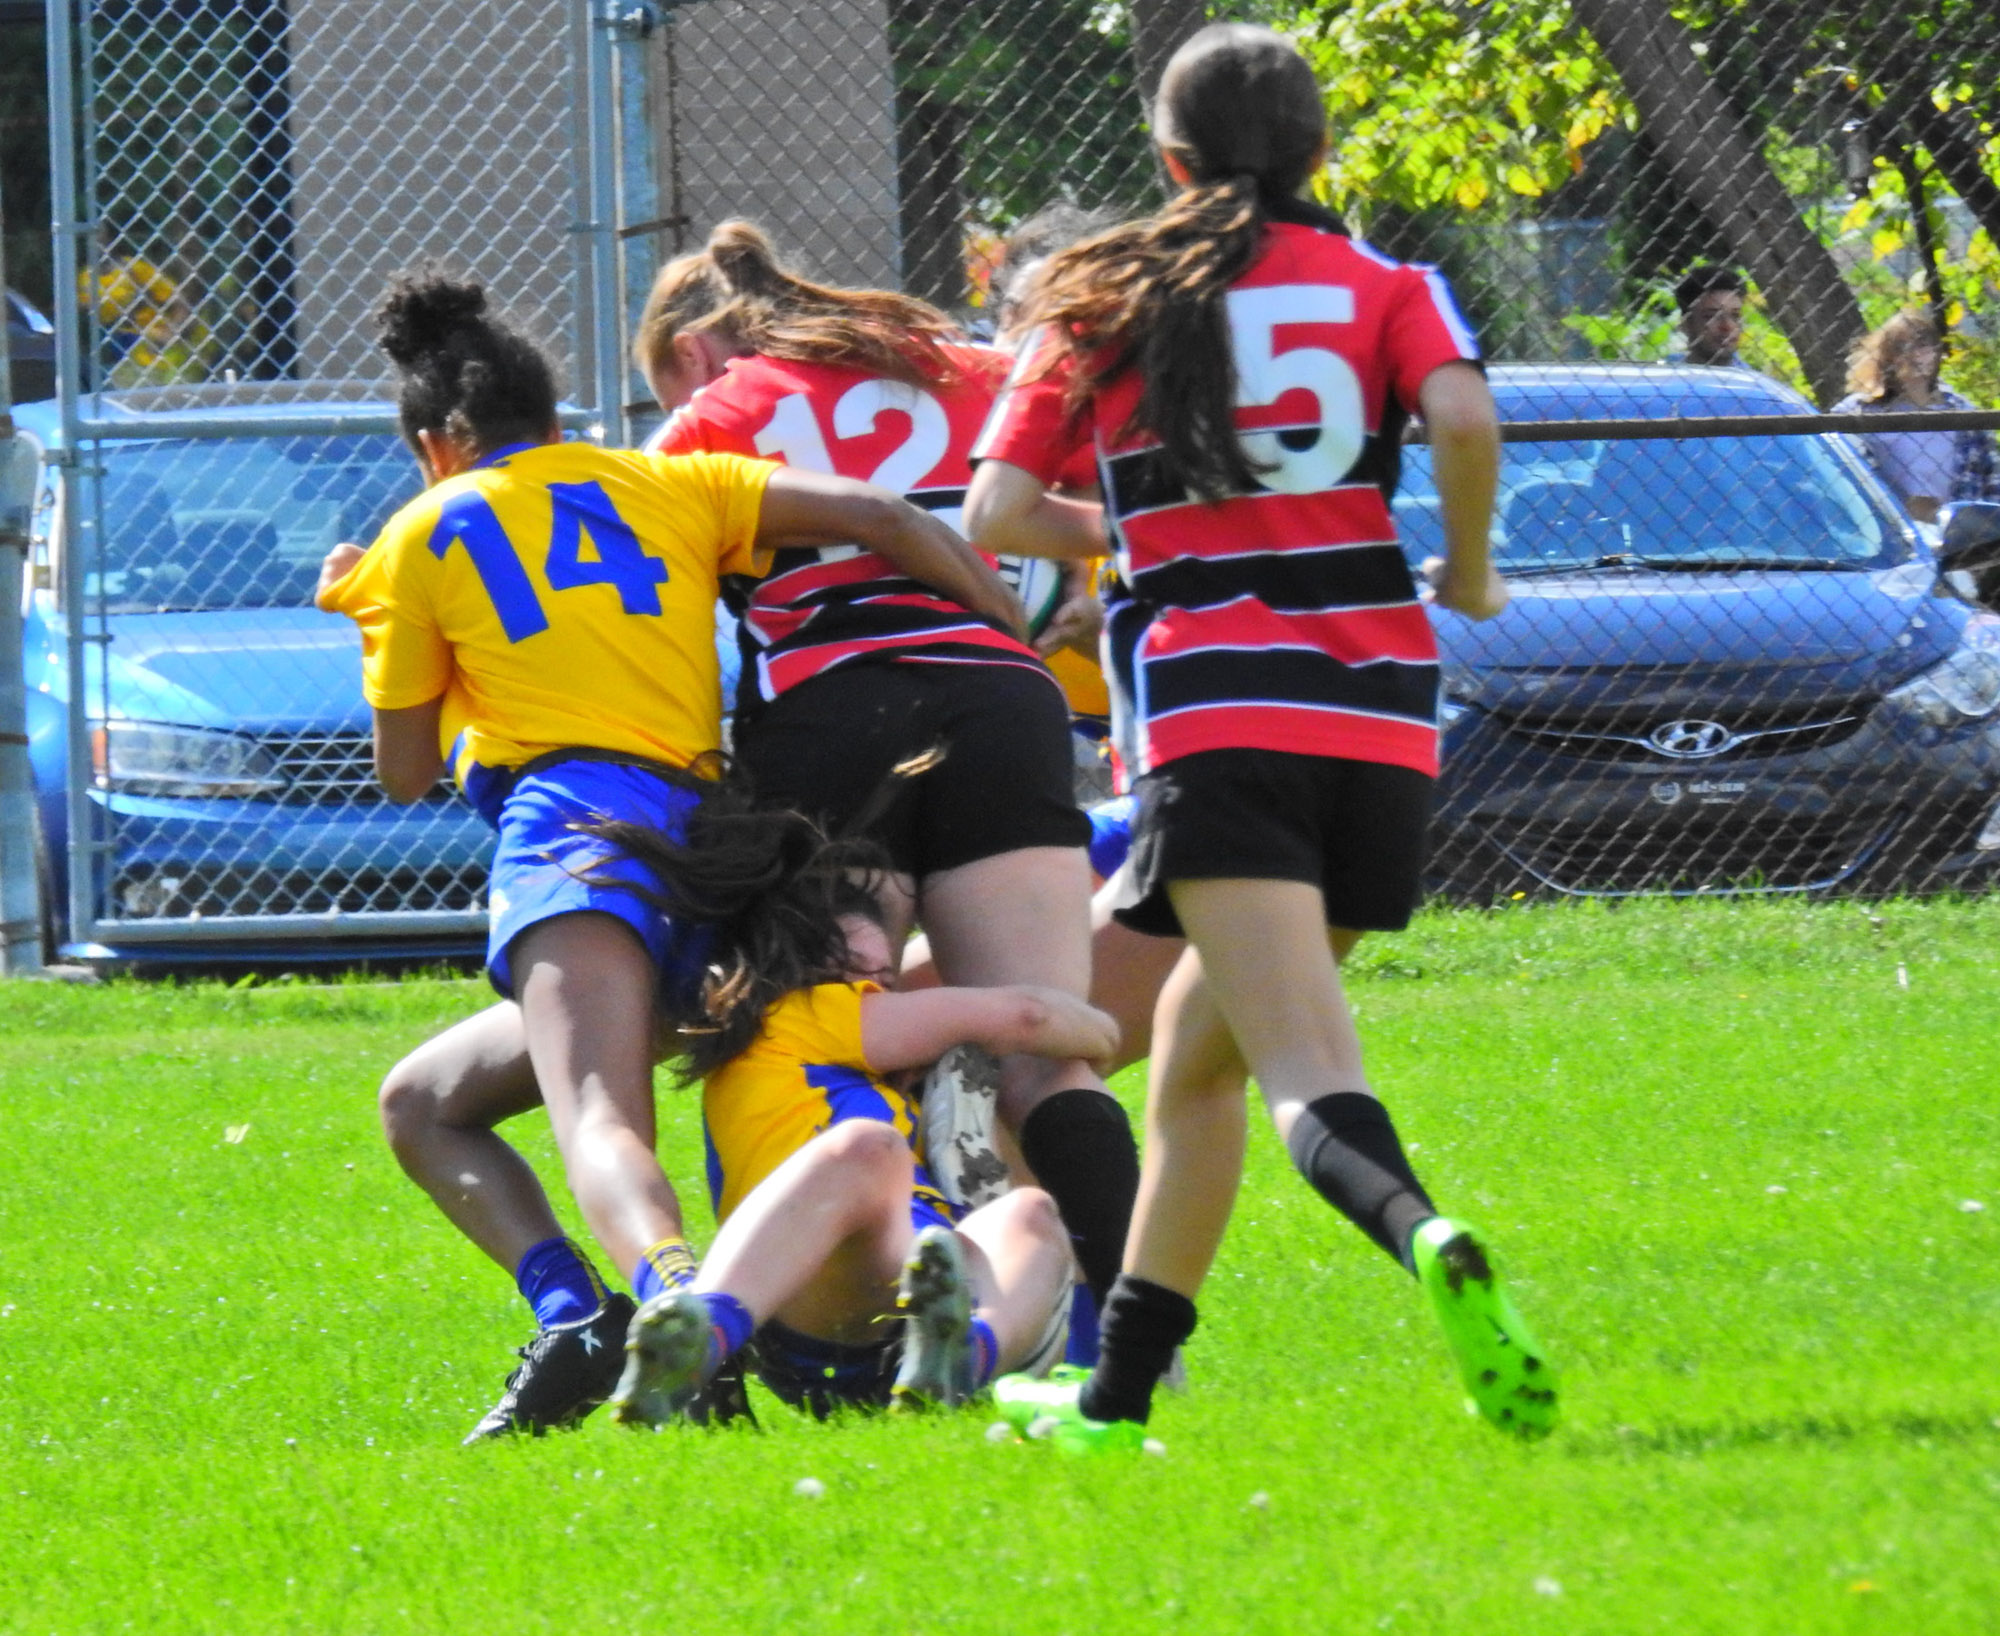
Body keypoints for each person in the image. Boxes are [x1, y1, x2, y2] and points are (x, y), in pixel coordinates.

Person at [964, 22, 1557, 1450]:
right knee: (1197, 1056)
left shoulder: (1098, 298)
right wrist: (1470, 569)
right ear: (1323, 153)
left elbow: (993, 515)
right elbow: (1464, 413)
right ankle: (1114, 1404)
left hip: (1223, 714)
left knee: (1299, 1072)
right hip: (1379, 717)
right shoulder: (1385, 282)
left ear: (1166, 160)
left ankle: (1427, 1237)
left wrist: (1138, 535)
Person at [315, 268, 1022, 1442]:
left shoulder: (415, 535)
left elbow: (401, 771)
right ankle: (583, 1321)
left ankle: (685, 1309)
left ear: (439, 443)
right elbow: (886, 518)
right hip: (711, 834)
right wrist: (1011, 646)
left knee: (598, 1112)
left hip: (575, 825)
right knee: (424, 1099)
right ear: (553, 419)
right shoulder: (662, 480)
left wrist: (364, 613)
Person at [632, 222, 1142, 1330]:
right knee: (1046, 1050)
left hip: (829, 722)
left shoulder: (719, 409)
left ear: (712, 346)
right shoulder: (981, 369)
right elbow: (1106, 495)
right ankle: (1131, 1343)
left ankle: (793, 1317)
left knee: (806, 1024)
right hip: (1001, 701)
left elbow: (625, 561)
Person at [576, 807, 1115, 1424]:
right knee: (868, 1149)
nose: (880, 993)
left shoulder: (838, 1067)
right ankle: (706, 1335)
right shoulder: (800, 1013)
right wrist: (1102, 1033)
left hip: (894, 1314)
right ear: (809, 969)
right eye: (873, 977)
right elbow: (1026, 1018)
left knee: (1030, 1212)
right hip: (815, 1301)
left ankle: (961, 1358)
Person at [1832, 309, 2000, 524]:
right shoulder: (1858, 412)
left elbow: (1993, 481)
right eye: (1903, 346)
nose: (1916, 355)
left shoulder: (1962, 412)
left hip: (1960, 536)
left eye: (1924, 345)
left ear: (1937, 352)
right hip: (1892, 531)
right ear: (1887, 356)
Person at [1672, 264, 1747, 370]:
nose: (1728, 326)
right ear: (1686, 323)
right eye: (1711, 316)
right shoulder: (1664, 374)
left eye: (1735, 315)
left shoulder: (1752, 381)